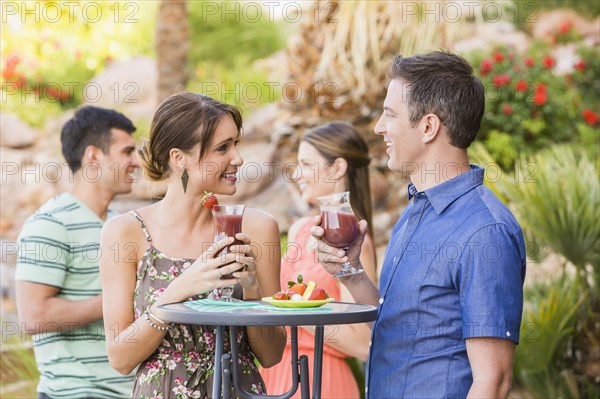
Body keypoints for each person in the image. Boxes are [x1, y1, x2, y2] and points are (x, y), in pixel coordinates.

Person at [310, 51, 526, 398]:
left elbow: (494, 381)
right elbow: (393, 326)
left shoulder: (485, 231)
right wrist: (350, 272)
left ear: (428, 126)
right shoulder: (415, 212)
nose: (379, 127)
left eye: (390, 114)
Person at [99, 92, 286, 397]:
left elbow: (271, 355)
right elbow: (120, 357)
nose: (237, 158)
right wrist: (177, 291)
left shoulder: (258, 228)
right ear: (179, 158)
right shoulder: (124, 232)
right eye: (222, 148)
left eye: (235, 145)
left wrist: (251, 291)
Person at [15, 106, 139, 399]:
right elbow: (34, 316)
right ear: (94, 156)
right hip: (75, 393)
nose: (136, 162)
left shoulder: (122, 224)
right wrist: (122, 297)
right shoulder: (50, 224)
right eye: (127, 152)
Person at [261, 121, 377, 398]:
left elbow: (363, 344)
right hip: (276, 376)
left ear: (336, 168)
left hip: (321, 380)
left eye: (306, 164)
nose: (297, 174)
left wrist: (298, 312)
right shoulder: (301, 229)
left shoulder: (357, 244)